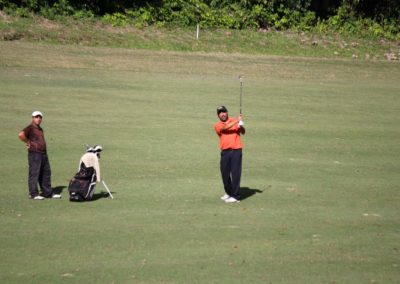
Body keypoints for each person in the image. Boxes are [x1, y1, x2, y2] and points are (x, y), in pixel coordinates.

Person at [18, 111, 61, 200]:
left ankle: (47, 193)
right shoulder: (30, 128)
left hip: (43, 154)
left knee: (46, 173)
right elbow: (21, 134)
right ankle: (33, 194)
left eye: (40, 117)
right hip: (34, 154)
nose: (38, 119)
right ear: (32, 118)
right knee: (34, 173)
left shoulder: (39, 129)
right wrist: (28, 142)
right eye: (36, 117)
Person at [214, 106, 245, 203]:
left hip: (236, 150)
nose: (222, 114)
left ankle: (236, 196)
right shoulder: (218, 125)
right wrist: (237, 121)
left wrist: (241, 125)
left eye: (224, 112)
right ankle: (229, 192)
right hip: (225, 152)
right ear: (218, 115)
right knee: (224, 173)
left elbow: (243, 132)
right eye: (220, 113)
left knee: (235, 173)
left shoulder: (233, 120)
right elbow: (225, 128)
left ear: (227, 112)